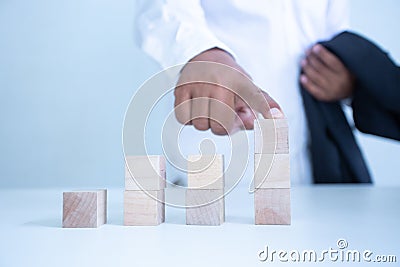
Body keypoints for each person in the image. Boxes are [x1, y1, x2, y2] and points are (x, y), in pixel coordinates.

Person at [135, 0, 354, 184]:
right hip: (218, 168)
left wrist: (347, 80)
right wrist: (200, 52)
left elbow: (334, 32)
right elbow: (163, 9)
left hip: (317, 169)